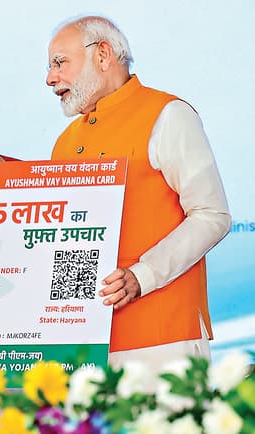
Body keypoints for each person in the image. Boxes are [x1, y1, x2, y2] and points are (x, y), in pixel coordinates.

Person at [46, 16, 231, 369]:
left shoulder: (168, 115)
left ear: (103, 55)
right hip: (85, 348)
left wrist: (142, 276)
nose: (51, 78)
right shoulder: (64, 142)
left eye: (60, 62)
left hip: (163, 339)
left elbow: (212, 216)